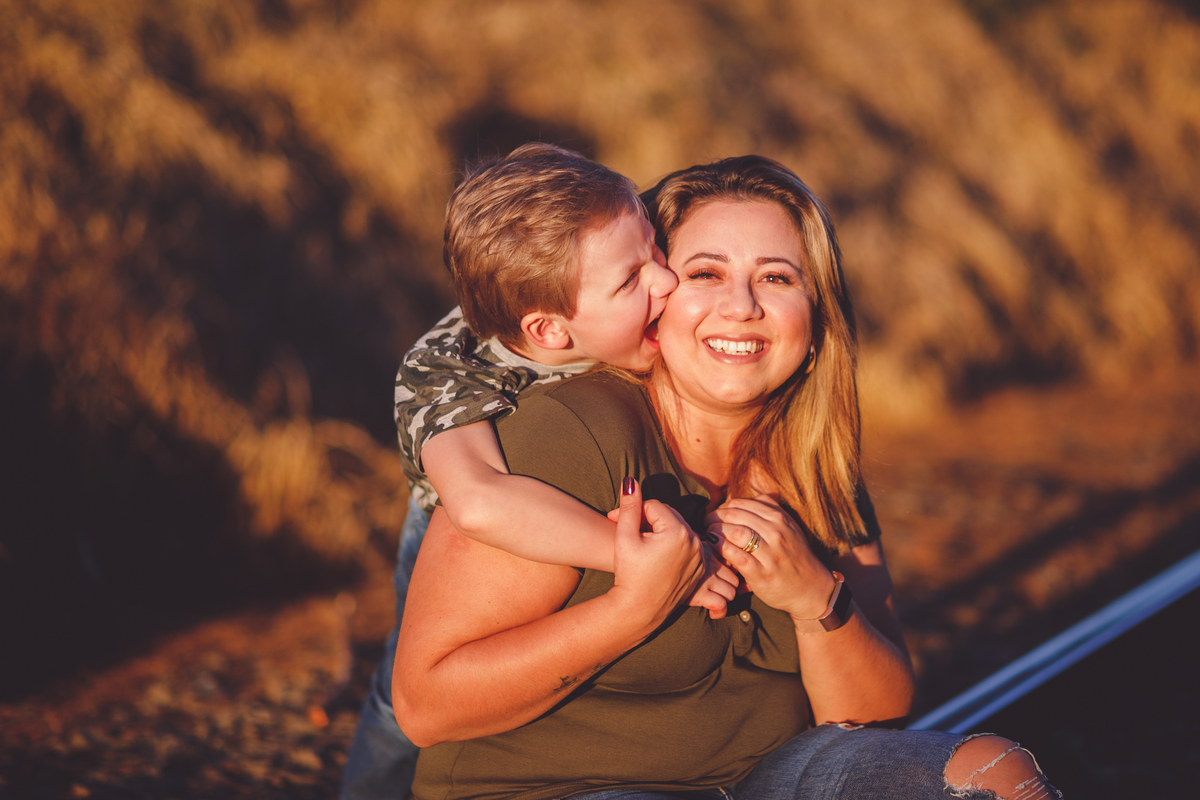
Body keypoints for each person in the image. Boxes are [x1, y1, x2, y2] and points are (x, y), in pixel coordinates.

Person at [392, 156, 1061, 800]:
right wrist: (633, 608)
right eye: (705, 273)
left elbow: (875, 712)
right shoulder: (573, 433)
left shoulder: (815, 465)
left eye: (776, 278)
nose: (742, 306)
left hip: (762, 778)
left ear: (815, 311)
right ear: (655, 293)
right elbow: (425, 705)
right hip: (563, 789)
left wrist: (815, 599)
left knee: (997, 773)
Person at [342, 143, 736, 800]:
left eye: (654, 250)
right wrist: (648, 561)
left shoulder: (605, 309)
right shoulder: (446, 367)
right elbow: (479, 504)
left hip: (567, 509)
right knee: (398, 714)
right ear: (550, 332)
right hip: (466, 555)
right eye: (631, 278)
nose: (665, 282)